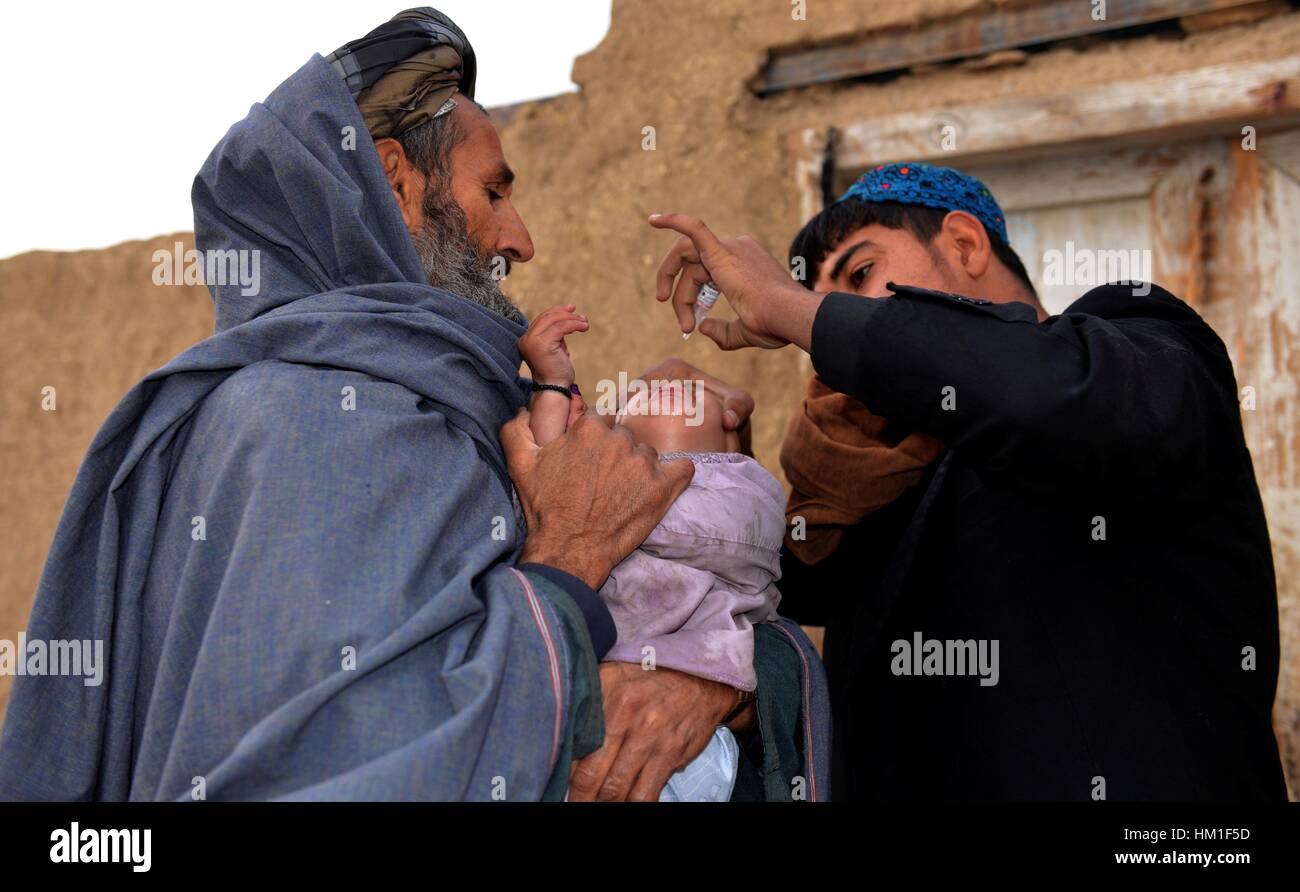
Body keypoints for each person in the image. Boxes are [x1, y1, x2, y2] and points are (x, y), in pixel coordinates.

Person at [0, 8, 815, 802]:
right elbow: (345, 768)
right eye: (494, 193)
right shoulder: (310, 421)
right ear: (394, 183)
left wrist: (715, 685)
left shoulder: (436, 403)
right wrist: (568, 562)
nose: (521, 239)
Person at [648, 161, 1287, 800]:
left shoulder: (1135, 347)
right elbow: (787, 588)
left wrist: (788, 305)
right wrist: (719, 453)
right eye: (821, 298)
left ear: (965, 243)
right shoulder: (873, 473)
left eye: (859, 275)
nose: (828, 326)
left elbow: (1043, 393)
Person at [518, 304, 786, 800]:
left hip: (689, 746)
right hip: (586, 704)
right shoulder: (596, 481)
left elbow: (736, 543)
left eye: (695, 393)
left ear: (732, 438)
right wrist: (552, 381)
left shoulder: (745, 494)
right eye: (633, 396)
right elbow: (550, 467)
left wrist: (626, 511)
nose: (666, 389)